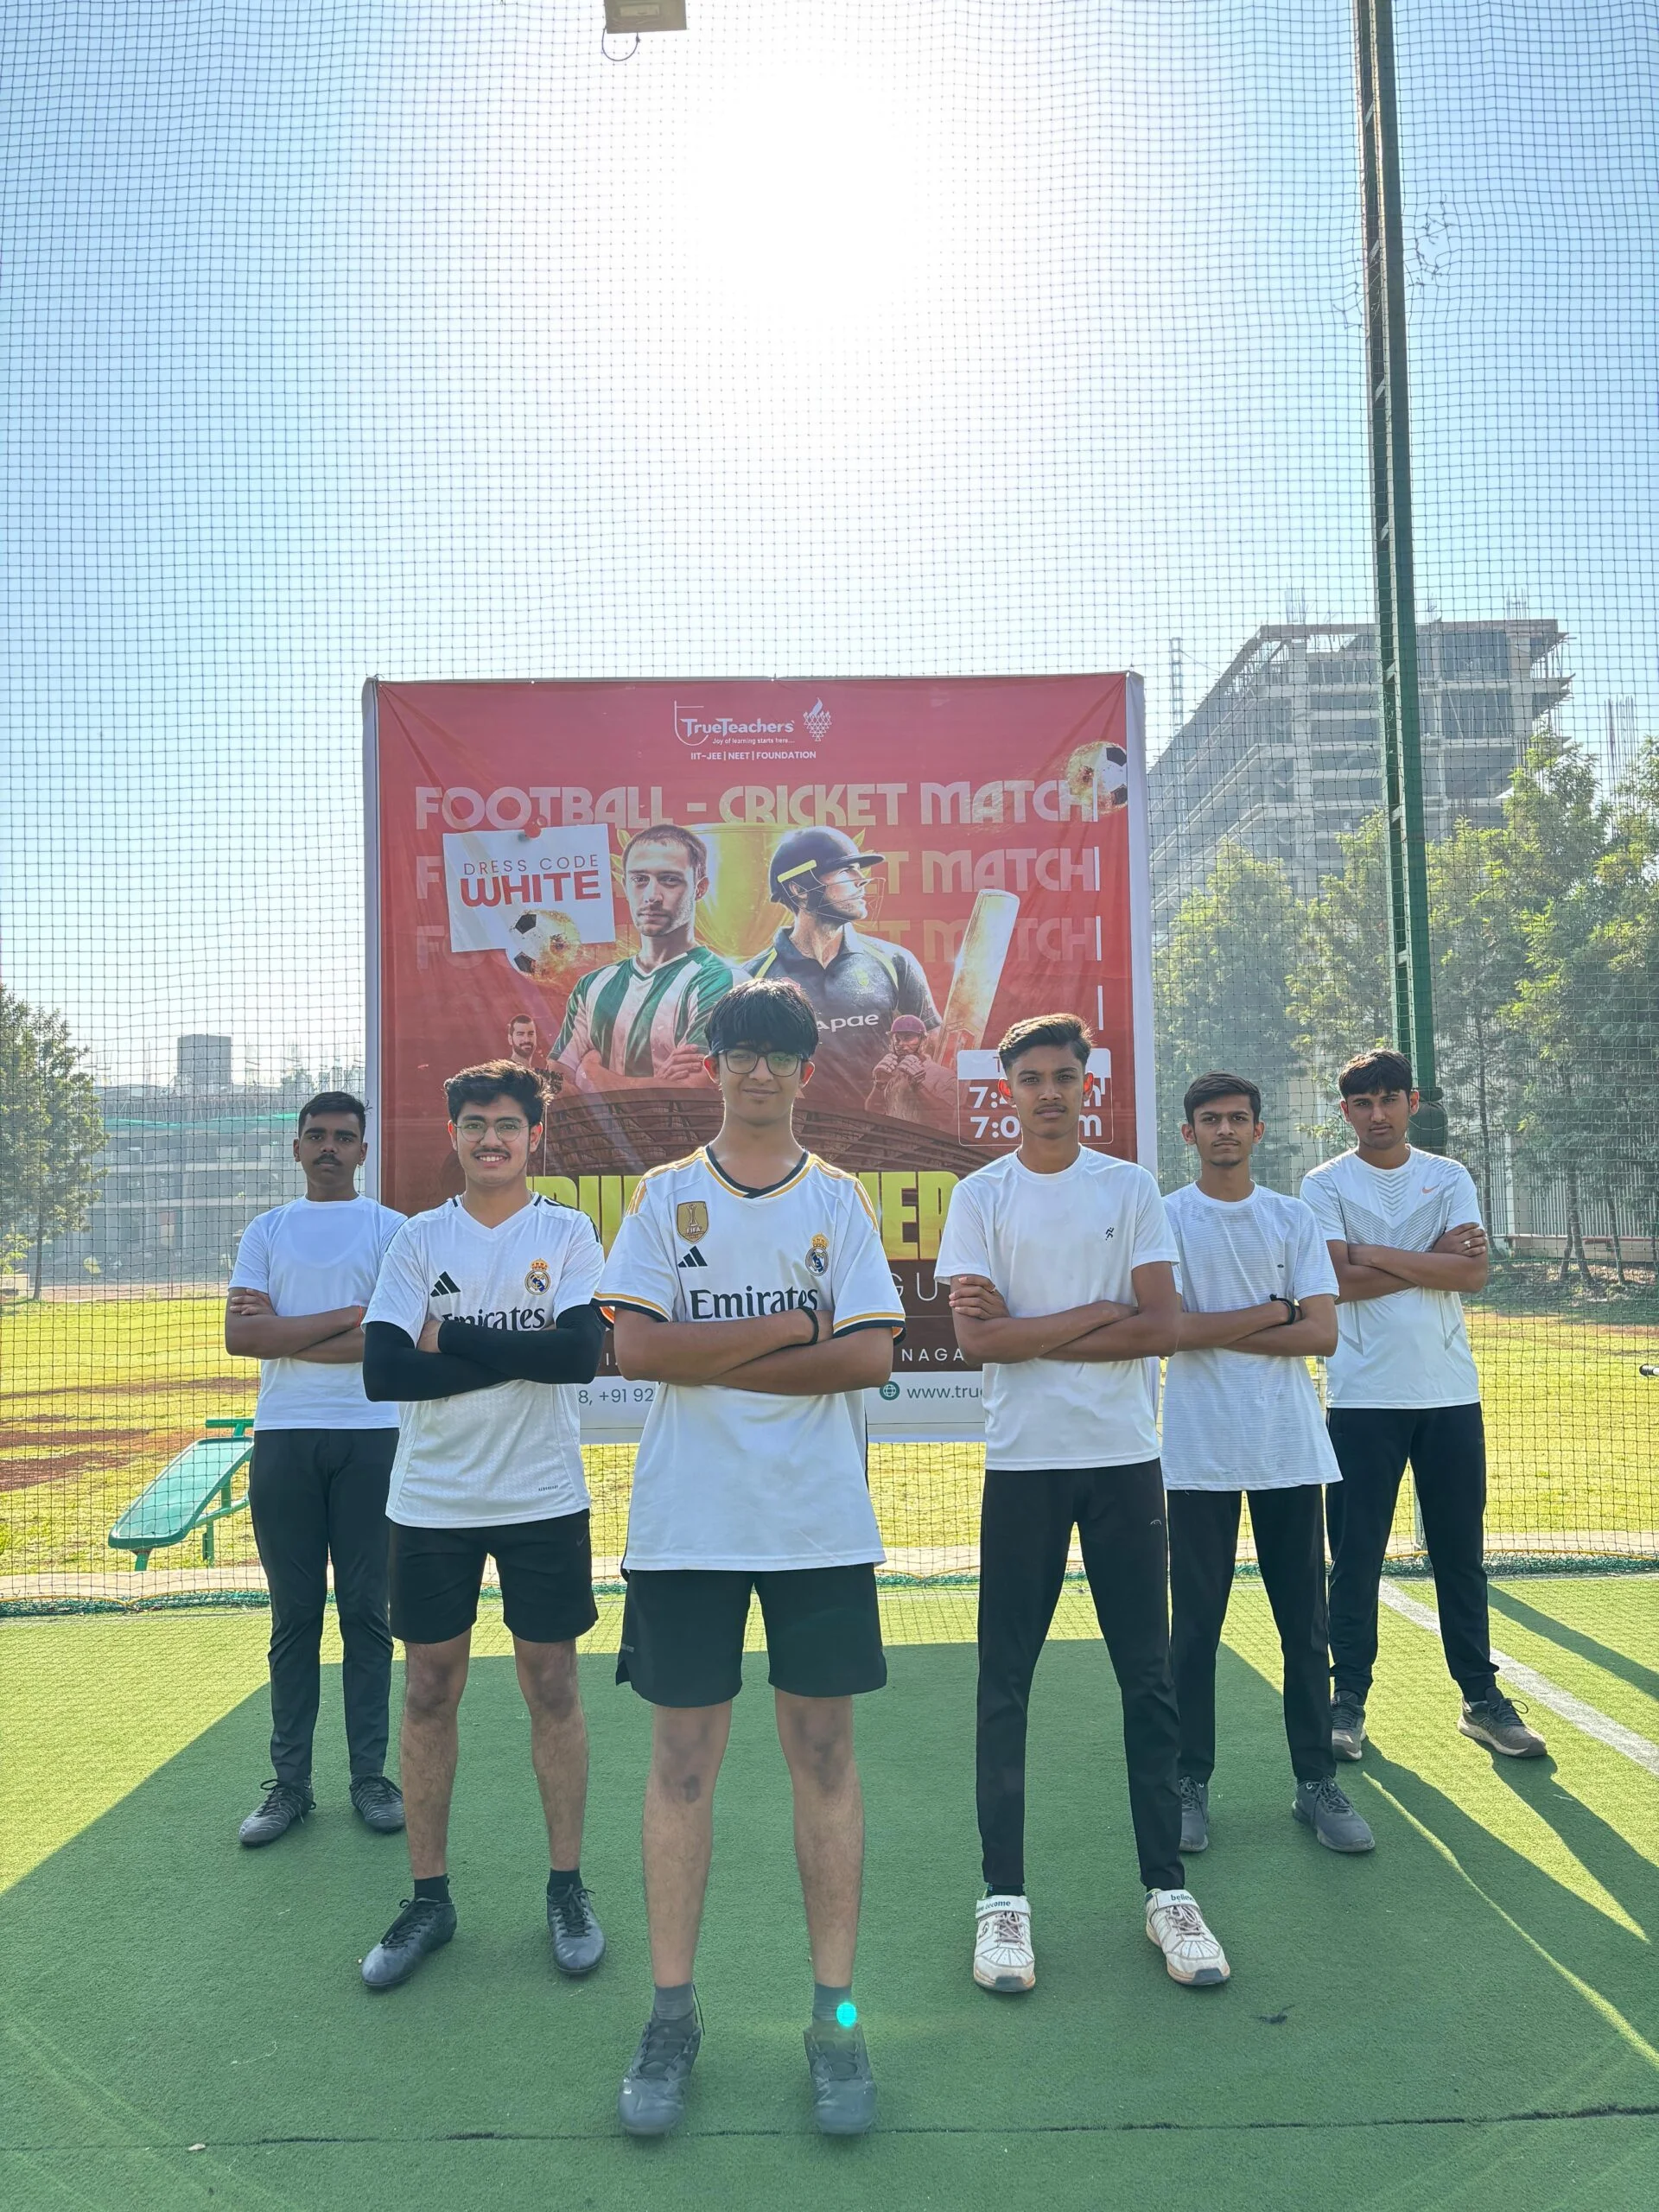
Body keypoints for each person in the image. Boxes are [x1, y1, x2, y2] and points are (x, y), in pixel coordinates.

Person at [598, 979, 903, 2138]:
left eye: (781, 1053)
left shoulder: (841, 1202)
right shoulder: (663, 1195)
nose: (760, 1071)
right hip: (689, 1529)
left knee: (824, 1754)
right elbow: (634, 1347)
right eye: (741, 1052)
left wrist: (705, 1352)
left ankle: (837, 2021)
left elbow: (869, 1360)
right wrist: (786, 1328)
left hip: (817, 1525)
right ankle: (672, 2017)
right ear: (711, 1063)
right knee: (682, 1763)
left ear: (805, 1070)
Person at [935, 1013, 1230, 1997]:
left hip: (1122, 1465)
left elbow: (1163, 1327)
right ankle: (1002, 1901)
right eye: (1032, 1077)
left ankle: (1166, 1893)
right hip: (1024, 1468)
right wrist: (1100, 1314)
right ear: (1006, 1089)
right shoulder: (980, 1196)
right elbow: (980, 1344)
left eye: (1065, 1075)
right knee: (1003, 1684)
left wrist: (1041, 1329)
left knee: (1146, 1679)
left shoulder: (1130, 1187)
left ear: (1085, 1085)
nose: (1050, 1091)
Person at [355, 1060, 609, 1990]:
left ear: (534, 1135)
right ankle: (430, 1898)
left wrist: (452, 1336)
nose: (491, 1138)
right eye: (475, 1124)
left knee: (552, 1686)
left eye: (508, 1123)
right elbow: (387, 1372)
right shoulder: (419, 1240)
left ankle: (567, 1886)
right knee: (428, 1688)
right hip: (431, 1502)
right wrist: (519, 1353)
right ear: (454, 1134)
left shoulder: (568, 1231)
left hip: (543, 1496)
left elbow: (580, 1356)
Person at [1300, 1050, 1545, 1760]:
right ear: (1344, 1112)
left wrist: (1371, 1253)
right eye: (1361, 1104)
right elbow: (1330, 1284)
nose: (1377, 1114)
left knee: (1460, 1556)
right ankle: (1346, 1704)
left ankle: (1480, 1698)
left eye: (1389, 1100)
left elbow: (1470, 1272)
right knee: (1353, 1560)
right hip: (1360, 1400)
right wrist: (1422, 1255)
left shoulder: (1448, 1177)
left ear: (1412, 1103)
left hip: (1449, 1398)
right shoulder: (1324, 1183)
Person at [1162, 1073, 1373, 1856]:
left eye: (1238, 1120)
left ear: (1258, 1131)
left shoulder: (1293, 1217)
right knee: (1195, 1634)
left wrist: (1218, 1326)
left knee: (1303, 1631)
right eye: (1210, 1120)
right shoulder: (1165, 1218)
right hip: (1196, 1452)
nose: (1224, 1131)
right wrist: (1270, 1311)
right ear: (1188, 1133)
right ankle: (1190, 1783)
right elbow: (1168, 1330)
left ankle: (1315, 1781)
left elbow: (1321, 1335)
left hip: (1287, 1449)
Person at [225, 1093, 406, 1847]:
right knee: (295, 1616)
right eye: (317, 1137)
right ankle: (290, 1785)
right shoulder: (266, 1230)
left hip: (373, 1437)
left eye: (344, 1137)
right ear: (295, 1147)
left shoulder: (394, 1231)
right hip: (286, 1439)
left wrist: (286, 1334)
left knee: (367, 1614)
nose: (330, 1148)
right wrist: (344, 1317)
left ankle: (370, 1776)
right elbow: (242, 1338)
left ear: (364, 1150)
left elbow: (395, 1341)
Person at [744, 826, 940, 1114]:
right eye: (845, 871)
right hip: (795, 1143)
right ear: (798, 890)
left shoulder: (896, 961)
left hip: (888, 1142)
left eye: (859, 870)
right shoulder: (752, 977)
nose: (862, 881)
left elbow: (933, 1045)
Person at [553, 824, 734, 1086]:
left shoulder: (722, 981)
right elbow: (556, 1084)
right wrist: (654, 1083)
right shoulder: (592, 985)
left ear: (700, 888)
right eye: (640, 880)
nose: (652, 896)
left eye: (669, 880)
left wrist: (591, 1073)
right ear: (625, 885)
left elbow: (692, 1091)